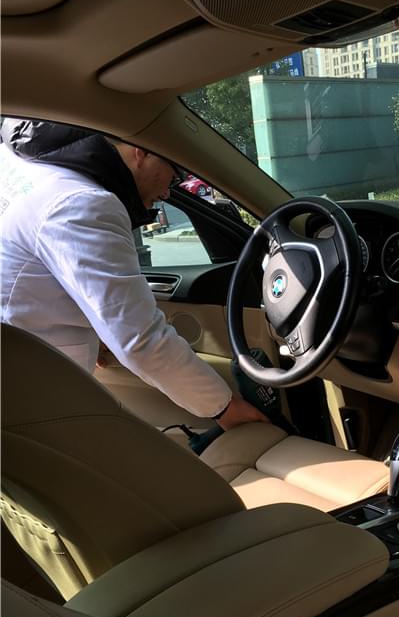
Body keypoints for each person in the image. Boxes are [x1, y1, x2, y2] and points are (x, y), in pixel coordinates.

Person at [0, 119, 267, 431]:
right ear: (141, 151)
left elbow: (34, 275)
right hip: (28, 396)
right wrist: (225, 408)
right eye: (175, 176)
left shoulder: (23, 165)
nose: (167, 192)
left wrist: (99, 330)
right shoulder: (83, 204)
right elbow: (140, 341)